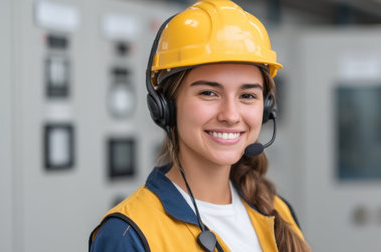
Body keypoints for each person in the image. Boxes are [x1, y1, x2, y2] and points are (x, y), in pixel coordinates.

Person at [89, 0, 311, 251]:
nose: (230, 115)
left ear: (267, 108)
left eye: (247, 96)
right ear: (166, 106)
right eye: (208, 93)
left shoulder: (277, 212)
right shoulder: (129, 234)